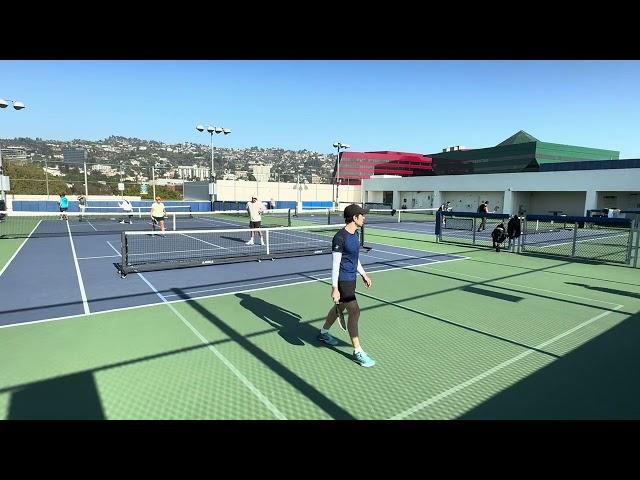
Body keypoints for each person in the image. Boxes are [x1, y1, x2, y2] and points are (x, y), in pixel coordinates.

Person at [317, 204, 375, 368]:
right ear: (354, 218)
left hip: (352, 278)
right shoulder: (340, 237)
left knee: (340, 308)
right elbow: (335, 265)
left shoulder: (355, 235)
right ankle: (357, 352)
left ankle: (323, 333)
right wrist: (334, 287)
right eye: (362, 215)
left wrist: (363, 274)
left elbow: (354, 259)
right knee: (355, 311)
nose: (364, 217)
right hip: (343, 280)